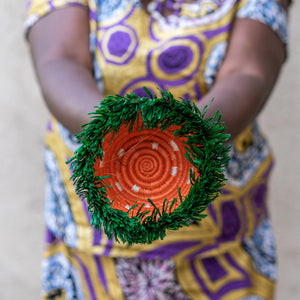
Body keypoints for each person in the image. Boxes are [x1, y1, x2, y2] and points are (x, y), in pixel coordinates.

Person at [25, 0, 291, 299]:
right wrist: (122, 137)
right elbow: (60, 59)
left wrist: (176, 143)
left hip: (220, 243)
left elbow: (249, 71)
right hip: (91, 242)